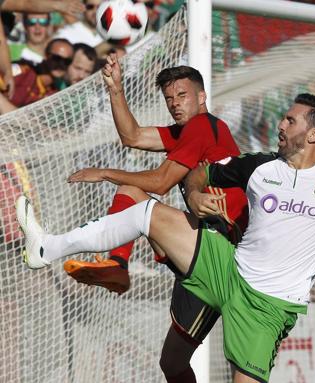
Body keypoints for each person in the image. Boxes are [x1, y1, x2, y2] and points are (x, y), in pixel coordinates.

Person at [17, 93, 315, 383]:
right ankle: (49, 247)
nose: (281, 124)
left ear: (314, 133)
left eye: (291, 120)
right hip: (228, 268)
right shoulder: (261, 166)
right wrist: (196, 195)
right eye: (283, 119)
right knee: (148, 213)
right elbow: (200, 172)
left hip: (268, 306)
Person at [63, 54, 248, 382]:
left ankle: (118, 265)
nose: (175, 104)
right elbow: (132, 136)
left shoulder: (203, 126)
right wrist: (116, 90)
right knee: (173, 364)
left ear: (202, 97)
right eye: (169, 98)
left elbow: (161, 182)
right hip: (199, 248)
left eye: (182, 95)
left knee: (132, 192)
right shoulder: (186, 132)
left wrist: (105, 173)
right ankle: (117, 267)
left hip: (217, 247)